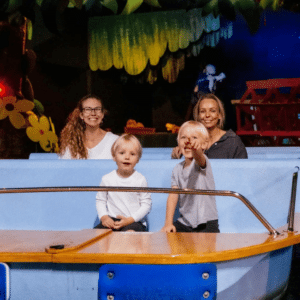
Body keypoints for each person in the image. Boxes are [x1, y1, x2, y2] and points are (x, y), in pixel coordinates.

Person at [161, 121, 219, 233]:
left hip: (206, 223)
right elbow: (173, 196)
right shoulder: (177, 169)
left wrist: (196, 150)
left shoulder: (202, 161)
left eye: (194, 138)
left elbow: (198, 156)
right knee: (164, 237)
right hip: (185, 222)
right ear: (178, 143)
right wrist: (168, 223)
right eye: (184, 137)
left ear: (205, 144)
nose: (188, 141)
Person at [94, 134, 152, 231]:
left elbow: (146, 204)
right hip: (112, 220)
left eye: (132, 154)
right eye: (122, 153)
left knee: (129, 235)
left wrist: (130, 219)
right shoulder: (107, 179)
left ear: (138, 159)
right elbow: (100, 200)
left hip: (134, 221)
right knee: (95, 236)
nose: (127, 157)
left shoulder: (140, 179)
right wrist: (104, 217)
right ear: (114, 156)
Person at [173, 93, 248, 159]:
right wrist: (181, 151)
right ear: (198, 116)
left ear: (219, 115)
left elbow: (243, 171)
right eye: (202, 111)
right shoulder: (191, 142)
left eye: (212, 111)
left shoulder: (233, 142)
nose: (207, 115)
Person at [59, 95, 119, 159]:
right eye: (88, 109)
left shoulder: (115, 141)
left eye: (97, 109)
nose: (93, 113)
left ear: (102, 114)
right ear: (81, 115)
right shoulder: (72, 143)